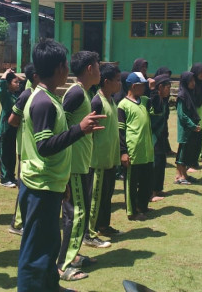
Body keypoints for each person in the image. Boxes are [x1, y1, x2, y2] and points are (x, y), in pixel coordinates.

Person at [17, 40, 105, 292]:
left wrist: (63, 181)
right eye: (66, 64)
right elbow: (44, 146)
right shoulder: (43, 102)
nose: (68, 68)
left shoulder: (50, 98)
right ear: (59, 68)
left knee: (49, 244)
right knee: (35, 250)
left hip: (50, 182)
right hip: (39, 186)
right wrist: (80, 129)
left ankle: (50, 286)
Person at [57, 51, 109, 283]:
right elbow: (59, 123)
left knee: (80, 213)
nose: (100, 69)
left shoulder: (84, 93)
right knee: (75, 215)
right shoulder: (76, 93)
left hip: (82, 163)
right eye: (98, 65)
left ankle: (73, 255)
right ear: (90, 68)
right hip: (74, 165)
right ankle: (63, 265)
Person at [118, 71, 160, 220]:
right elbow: (120, 131)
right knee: (131, 183)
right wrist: (123, 151)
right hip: (133, 150)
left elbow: (158, 109)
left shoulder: (145, 100)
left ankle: (143, 207)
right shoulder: (123, 105)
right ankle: (132, 212)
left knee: (146, 181)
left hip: (146, 149)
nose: (145, 88)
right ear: (134, 86)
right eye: (142, 86)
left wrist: (154, 91)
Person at [87, 63, 122, 239]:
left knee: (107, 195)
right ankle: (90, 231)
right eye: (117, 80)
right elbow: (89, 131)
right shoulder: (96, 101)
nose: (120, 84)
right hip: (98, 159)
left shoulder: (112, 100)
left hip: (110, 157)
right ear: (106, 82)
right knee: (96, 197)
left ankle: (104, 225)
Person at [8, 63, 40, 236]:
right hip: (24, 147)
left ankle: (24, 220)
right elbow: (12, 119)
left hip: (32, 147)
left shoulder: (37, 93)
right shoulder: (27, 94)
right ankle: (17, 223)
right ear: (35, 76)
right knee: (24, 186)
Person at [174, 72, 202, 185]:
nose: (193, 83)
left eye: (193, 80)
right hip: (185, 129)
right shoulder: (182, 95)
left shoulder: (190, 94)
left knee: (187, 152)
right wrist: (192, 125)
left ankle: (184, 175)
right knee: (182, 152)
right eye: (190, 81)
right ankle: (179, 176)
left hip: (191, 129)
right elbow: (182, 115)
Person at [150, 74, 172, 200]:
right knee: (155, 164)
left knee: (161, 162)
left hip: (161, 136)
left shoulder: (163, 100)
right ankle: (151, 192)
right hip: (154, 136)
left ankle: (158, 189)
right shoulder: (154, 100)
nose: (169, 90)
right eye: (167, 87)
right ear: (160, 87)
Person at [0, 67, 20, 187]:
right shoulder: (6, 96)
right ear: (8, 84)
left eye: (18, 82)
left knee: (12, 155)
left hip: (13, 129)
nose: (18, 84)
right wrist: (6, 73)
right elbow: (1, 85)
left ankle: (11, 176)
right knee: (5, 154)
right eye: (15, 82)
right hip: (5, 130)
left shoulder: (14, 96)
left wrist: (15, 76)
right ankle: (4, 179)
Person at [189, 63, 202, 171]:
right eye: (200, 72)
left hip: (199, 117)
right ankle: (189, 164)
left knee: (198, 140)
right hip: (192, 118)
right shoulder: (192, 86)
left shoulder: (200, 85)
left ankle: (194, 162)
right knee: (192, 142)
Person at [154, 66, 175, 156]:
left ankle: (167, 149)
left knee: (165, 131)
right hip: (158, 112)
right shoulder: (155, 90)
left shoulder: (166, 87)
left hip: (164, 111)